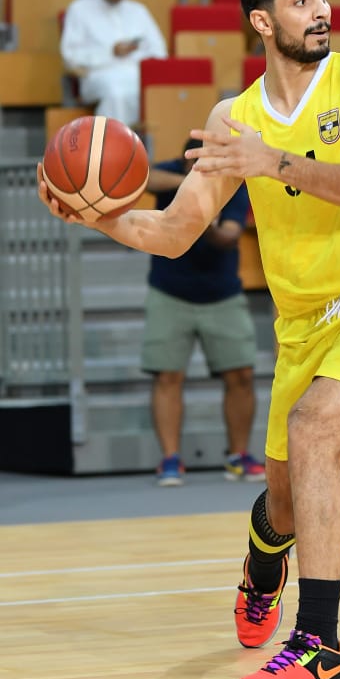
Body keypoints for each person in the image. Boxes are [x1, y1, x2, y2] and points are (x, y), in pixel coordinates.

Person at [39, 0, 340, 679]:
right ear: (263, 22)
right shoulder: (234, 118)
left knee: (316, 429)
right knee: (283, 501)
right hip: (304, 323)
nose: (321, 9)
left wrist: (273, 162)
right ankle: (264, 567)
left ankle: (320, 647)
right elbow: (175, 231)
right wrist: (95, 214)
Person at [143, 138, 266, 487]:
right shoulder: (171, 171)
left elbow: (229, 236)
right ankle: (170, 459)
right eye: (195, 165)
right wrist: (188, 186)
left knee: (241, 375)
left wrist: (204, 222)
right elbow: (145, 178)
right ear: (186, 161)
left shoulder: (232, 184)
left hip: (222, 293)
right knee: (167, 377)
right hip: (169, 291)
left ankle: (238, 456)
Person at [60, 0, 167, 128]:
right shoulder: (79, 10)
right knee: (116, 91)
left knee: (159, 91)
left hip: (137, 73)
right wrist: (111, 52)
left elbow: (159, 51)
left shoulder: (138, 11)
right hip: (97, 75)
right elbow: (70, 56)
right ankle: (114, 143)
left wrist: (134, 53)